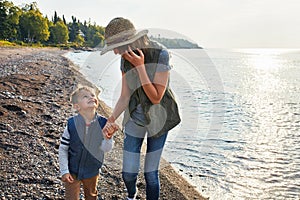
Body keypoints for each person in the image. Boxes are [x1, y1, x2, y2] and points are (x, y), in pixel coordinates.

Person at [101, 17, 181, 200]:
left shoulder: (161, 53)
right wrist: (111, 119)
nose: (114, 52)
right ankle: (132, 195)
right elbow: (125, 96)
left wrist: (140, 67)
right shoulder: (124, 58)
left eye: (115, 46)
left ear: (128, 42)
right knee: (128, 173)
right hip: (135, 116)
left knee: (151, 175)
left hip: (160, 118)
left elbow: (155, 97)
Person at [58, 86, 118, 200]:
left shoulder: (103, 123)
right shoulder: (71, 124)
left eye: (93, 95)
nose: (91, 97)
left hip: (92, 170)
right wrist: (64, 171)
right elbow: (63, 148)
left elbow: (106, 149)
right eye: (85, 96)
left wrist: (108, 138)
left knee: (91, 196)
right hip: (73, 170)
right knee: (70, 197)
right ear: (77, 106)